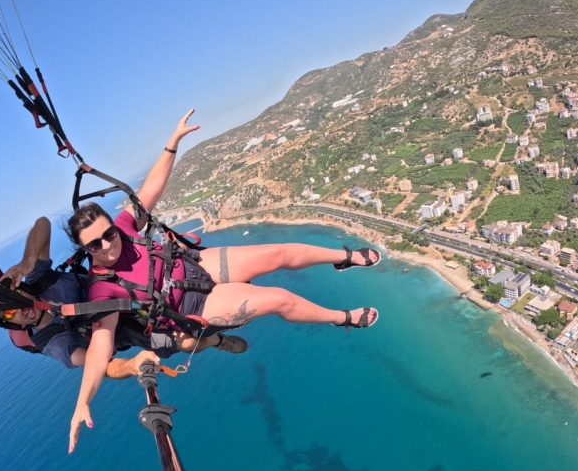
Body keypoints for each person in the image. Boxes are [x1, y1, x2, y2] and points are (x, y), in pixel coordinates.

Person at [65, 108, 381, 453]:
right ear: (84, 250)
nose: (108, 245)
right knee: (279, 298)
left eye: (108, 233)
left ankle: (345, 258)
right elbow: (99, 348)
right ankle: (344, 319)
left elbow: (151, 187)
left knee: (277, 252)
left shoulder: (126, 227)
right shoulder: (102, 286)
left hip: (196, 266)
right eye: (94, 245)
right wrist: (83, 401)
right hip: (193, 308)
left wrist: (172, 143)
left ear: (114, 225)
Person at [0, 213, 248, 380]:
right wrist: (131, 365)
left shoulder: (37, 280)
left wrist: (27, 262)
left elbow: (42, 223)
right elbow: (97, 365)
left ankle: (222, 279)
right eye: (10, 313)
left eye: (14, 297)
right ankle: (217, 340)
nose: (21, 307)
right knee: (188, 341)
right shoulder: (53, 342)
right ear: (14, 325)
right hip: (118, 325)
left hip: (109, 282)